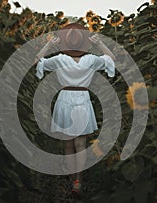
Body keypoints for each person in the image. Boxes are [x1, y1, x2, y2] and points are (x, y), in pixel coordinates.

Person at [35, 23, 116, 194]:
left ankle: (72, 179)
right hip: (83, 99)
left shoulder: (59, 59)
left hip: (64, 99)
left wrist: (49, 45)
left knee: (68, 145)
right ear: (83, 44)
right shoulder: (91, 60)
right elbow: (111, 59)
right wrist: (99, 43)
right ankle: (78, 181)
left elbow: (38, 61)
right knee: (80, 144)